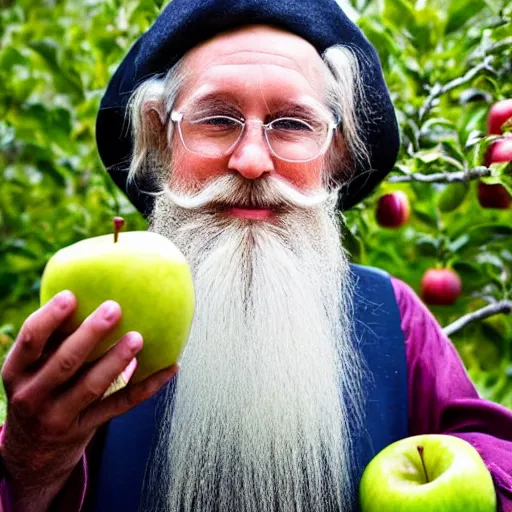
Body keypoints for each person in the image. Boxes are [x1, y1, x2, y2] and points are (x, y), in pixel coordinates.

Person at [1, 1, 511, 511]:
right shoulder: (100, 319)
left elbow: (494, 455)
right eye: (217, 119)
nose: (251, 161)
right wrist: (31, 464)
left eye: (291, 124)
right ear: (161, 138)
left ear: (335, 155)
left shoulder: (392, 318)